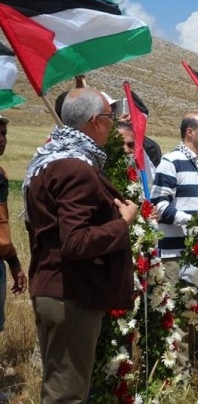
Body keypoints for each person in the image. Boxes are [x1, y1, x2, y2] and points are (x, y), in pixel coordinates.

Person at [24, 88, 138, 402]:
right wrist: (123, 223)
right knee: (67, 395)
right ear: (95, 120)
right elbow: (75, 242)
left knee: (59, 390)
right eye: (110, 117)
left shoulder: (48, 161)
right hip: (71, 293)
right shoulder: (76, 169)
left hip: (54, 287)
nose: (113, 125)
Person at [151, 112, 198, 373]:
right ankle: (175, 374)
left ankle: (186, 367)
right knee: (176, 311)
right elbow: (159, 205)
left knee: (192, 309)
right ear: (190, 132)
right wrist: (193, 222)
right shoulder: (171, 162)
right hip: (175, 252)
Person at [0, 114, 27, 334]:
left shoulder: (1, 175)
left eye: (4, 133)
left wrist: (14, 262)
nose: (2, 139)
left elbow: (2, 225)